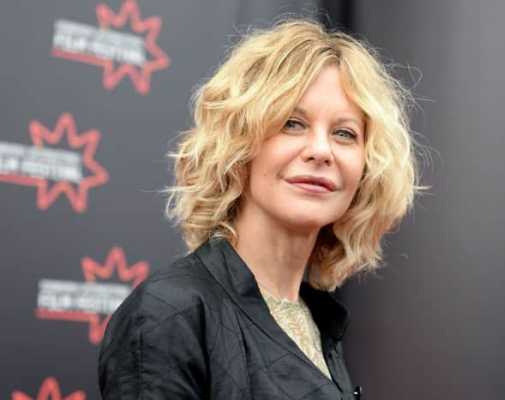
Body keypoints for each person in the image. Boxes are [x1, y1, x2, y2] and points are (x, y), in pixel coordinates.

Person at [98, 18, 424, 399]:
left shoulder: (316, 321)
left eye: (344, 133)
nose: (321, 150)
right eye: (292, 124)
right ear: (239, 145)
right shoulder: (170, 314)